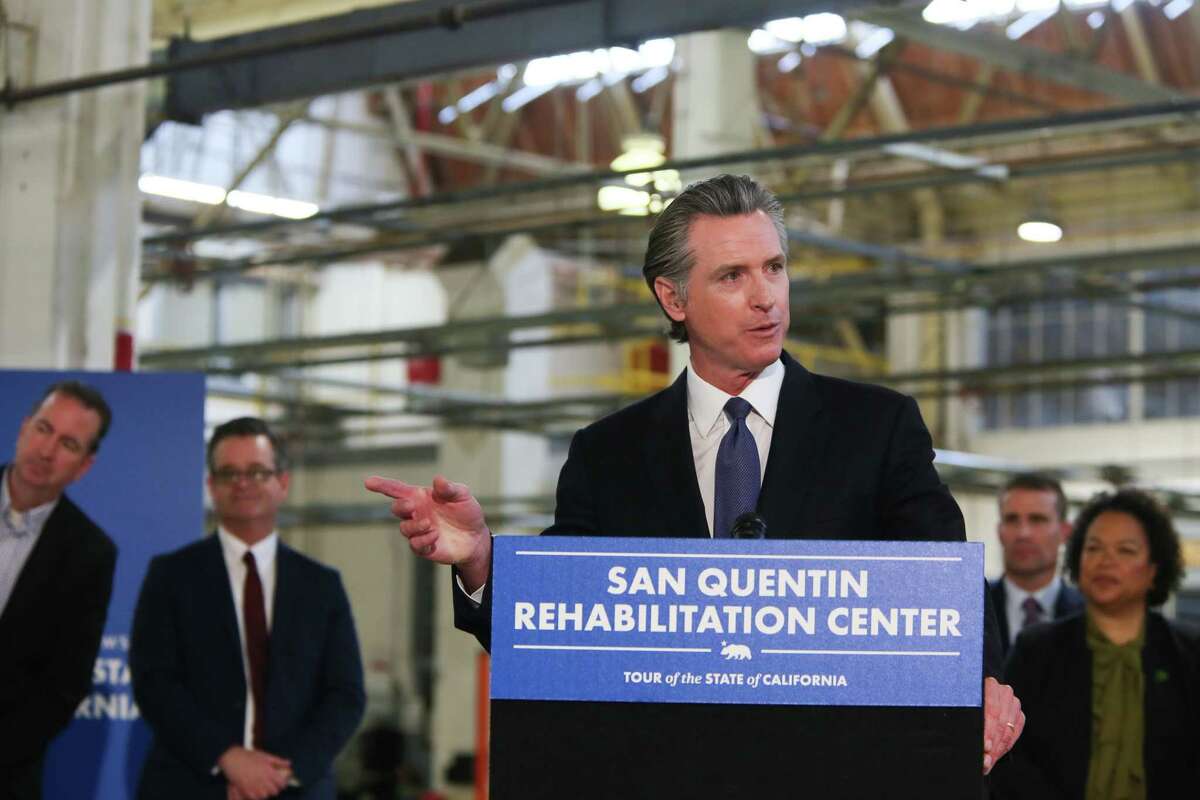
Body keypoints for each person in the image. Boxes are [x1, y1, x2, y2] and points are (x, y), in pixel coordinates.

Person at [365, 173, 1024, 774]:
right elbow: (562, 631)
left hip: (837, 771)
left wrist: (985, 684)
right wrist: (481, 560)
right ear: (672, 296)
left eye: (775, 267)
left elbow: (949, 589)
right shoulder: (607, 454)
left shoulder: (877, 428)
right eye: (733, 276)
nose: (766, 296)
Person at [131, 417, 365, 800]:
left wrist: (280, 774)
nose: (243, 484)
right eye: (229, 473)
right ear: (211, 485)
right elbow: (155, 682)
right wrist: (228, 758)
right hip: (191, 784)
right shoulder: (171, 576)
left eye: (257, 472)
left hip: (295, 787)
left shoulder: (321, 585)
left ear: (283, 483)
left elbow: (345, 694)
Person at [993, 489, 1200, 799]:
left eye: (1125, 550)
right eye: (1094, 548)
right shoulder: (1036, 649)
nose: (1106, 561)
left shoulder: (1188, 652)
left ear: (1154, 569)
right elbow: (1010, 759)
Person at [0, 381, 118, 800]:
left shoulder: (91, 553)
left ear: (84, 466)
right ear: (22, 428)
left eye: (68, 443)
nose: (46, 451)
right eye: (43, 429)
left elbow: (63, 685)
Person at [990, 473, 1084, 658]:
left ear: (1064, 532)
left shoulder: (1090, 615)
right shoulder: (971, 610)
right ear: (1000, 531)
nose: (1023, 533)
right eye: (1012, 519)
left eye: (1037, 520)